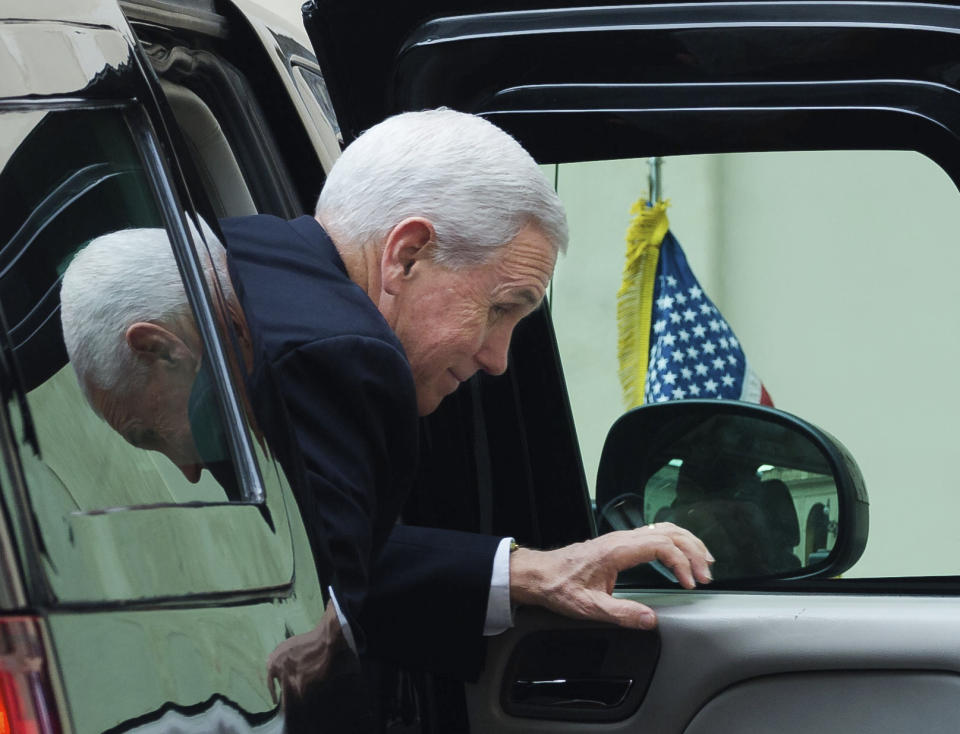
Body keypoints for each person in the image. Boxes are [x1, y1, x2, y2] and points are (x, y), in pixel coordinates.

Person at [60, 109, 713, 709]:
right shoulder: (348, 354)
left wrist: (530, 571)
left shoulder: (253, 252)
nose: (498, 359)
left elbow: (341, 557)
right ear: (406, 256)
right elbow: (326, 623)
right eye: (500, 309)